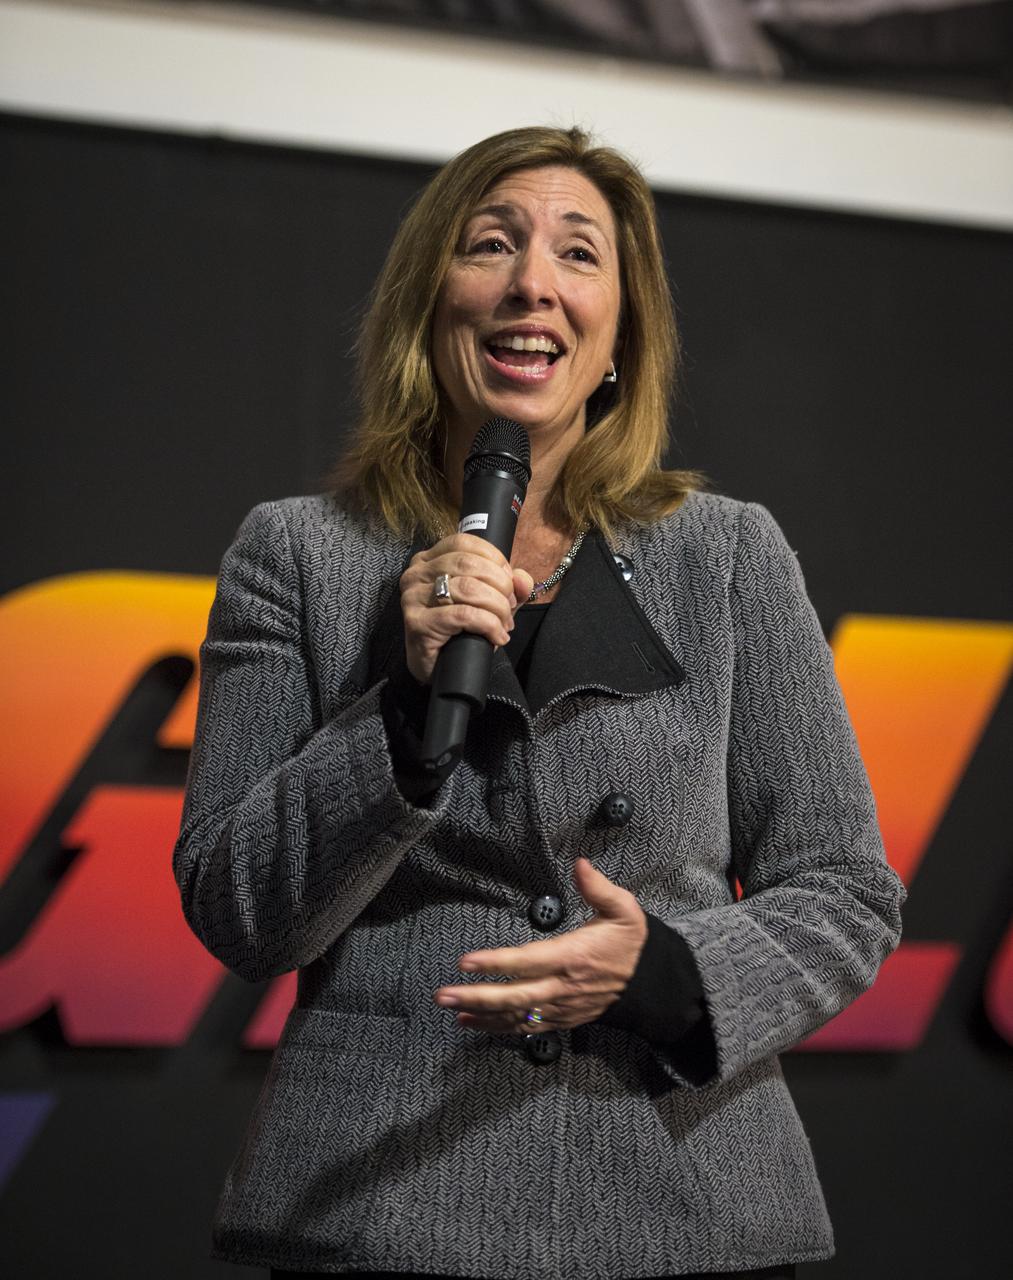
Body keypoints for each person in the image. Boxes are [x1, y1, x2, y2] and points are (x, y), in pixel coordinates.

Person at [173, 126, 906, 1280]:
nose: (532, 284)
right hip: (378, 1205)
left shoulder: (727, 557)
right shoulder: (299, 555)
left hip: (686, 1204)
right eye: (491, 244)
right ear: (431, 299)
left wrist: (660, 971)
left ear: (618, 330)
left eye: (578, 254)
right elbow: (237, 906)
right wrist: (399, 710)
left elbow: (845, 892)